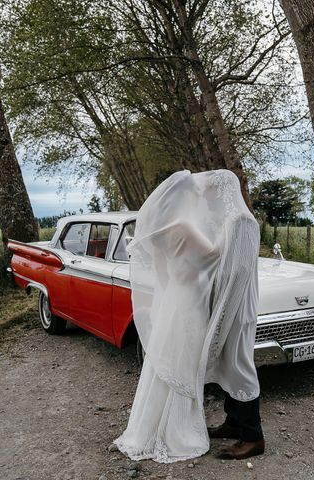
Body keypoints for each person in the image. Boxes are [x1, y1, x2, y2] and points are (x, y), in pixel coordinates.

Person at [113, 169, 264, 463]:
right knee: (224, 367)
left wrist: (220, 312)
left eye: (209, 193)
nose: (204, 198)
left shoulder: (241, 222)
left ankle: (252, 436)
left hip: (236, 307)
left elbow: (237, 273)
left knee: (239, 366)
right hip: (210, 304)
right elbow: (215, 262)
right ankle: (234, 422)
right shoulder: (218, 223)